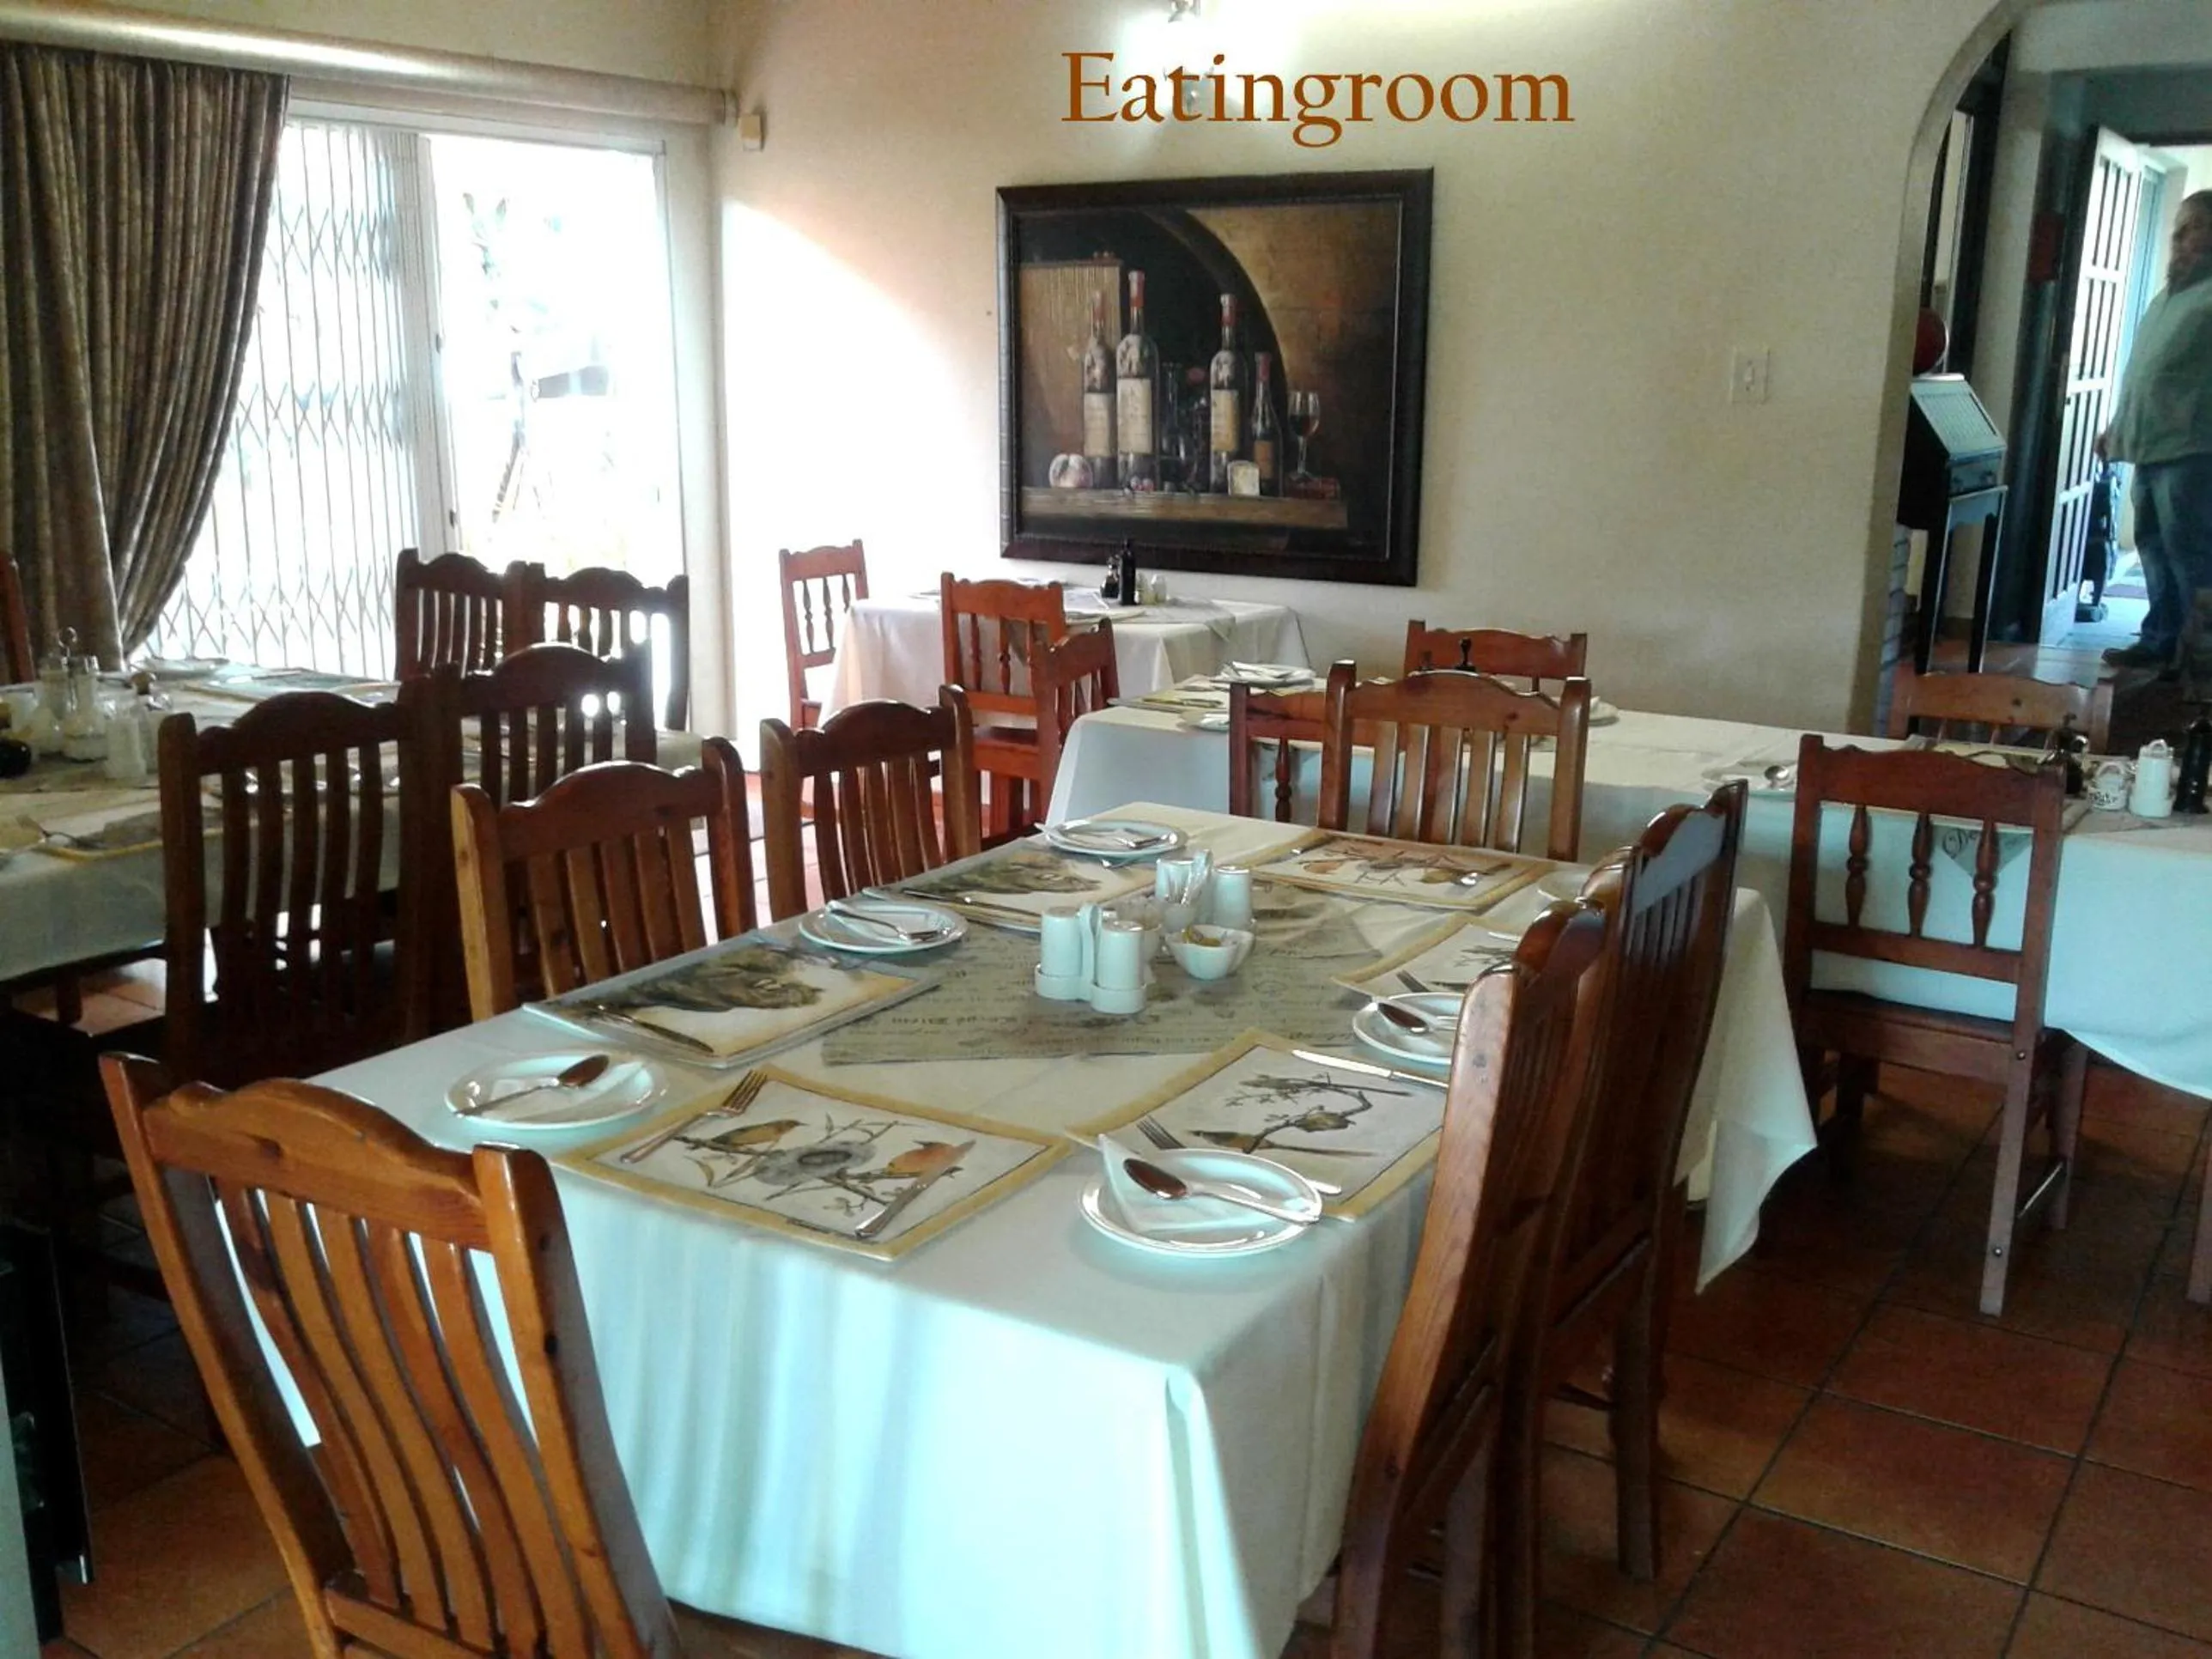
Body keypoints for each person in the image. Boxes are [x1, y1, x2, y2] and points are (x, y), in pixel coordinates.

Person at [2097, 189, 2212, 671]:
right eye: (2178, 229)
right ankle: (2160, 641)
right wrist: (2116, 429)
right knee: (2153, 551)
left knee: (2191, 558)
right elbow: (2143, 373)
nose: (2179, 239)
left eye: (2194, 229)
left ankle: (2199, 657)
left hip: (2191, 451)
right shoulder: (2168, 298)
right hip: (2149, 448)